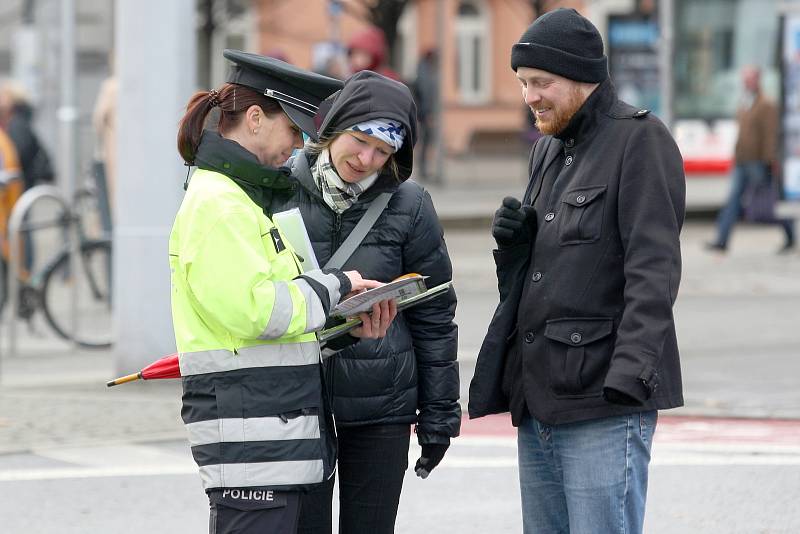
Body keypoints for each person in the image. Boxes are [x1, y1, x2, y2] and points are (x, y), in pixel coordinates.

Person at [468, 9, 685, 534]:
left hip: (604, 402)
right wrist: (514, 248)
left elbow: (653, 272)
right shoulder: (547, 150)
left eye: (542, 83)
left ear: (584, 78)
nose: (529, 97)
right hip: (540, 397)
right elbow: (540, 280)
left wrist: (630, 379)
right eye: (522, 84)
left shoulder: (640, 140)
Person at [170, 49, 397, 534]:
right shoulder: (221, 204)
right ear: (255, 118)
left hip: (266, 437)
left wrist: (345, 330)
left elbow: (271, 328)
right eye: (293, 131)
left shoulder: (237, 198)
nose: (297, 147)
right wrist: (338, 286)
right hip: (254, 442)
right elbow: (261, 312)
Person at [272, 70, 460, 534]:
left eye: (383, 152)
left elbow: (435, 313)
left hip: (382, 403)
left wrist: (439, 416)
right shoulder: (276, 190)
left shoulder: (409, 205)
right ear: (332, 129)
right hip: (295, 399)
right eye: (359, 141)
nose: (367, 158)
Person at [706, 65, 795, 254]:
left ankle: (790, 231)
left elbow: (770, 135)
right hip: (742, 159)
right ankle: (722, 240)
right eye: (744, 78)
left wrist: (769, 161)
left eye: (749, 78)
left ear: (757, 80)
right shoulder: (744, 101)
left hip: (758, 162)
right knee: (733, 200)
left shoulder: (766, 104)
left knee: (767, 202)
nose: (745, 82)